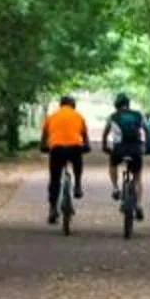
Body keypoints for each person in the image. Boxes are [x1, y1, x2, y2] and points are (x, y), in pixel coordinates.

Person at [40, 94, 91, 222]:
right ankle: (78, 185)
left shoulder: (51, 116)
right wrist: (86, 146)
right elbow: (84, 135)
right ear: (73, 105)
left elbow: (44, 136)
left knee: (55, 179)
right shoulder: (78, 116)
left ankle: (52, 209)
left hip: (56, 148)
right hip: (74, 147)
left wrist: (43, 147)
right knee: (77, 162)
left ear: (60, 105)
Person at [102, 91, 147, 204]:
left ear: (116, 105)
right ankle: (138, 205)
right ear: (128, 104)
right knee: (137, 178)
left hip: (119, 149)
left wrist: (105, 146)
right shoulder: (138, 115)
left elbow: (105, 133)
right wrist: (147, 146)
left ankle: (115, 187)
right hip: (135, 149)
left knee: (113, 164)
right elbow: (147, 130)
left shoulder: (113, 116)